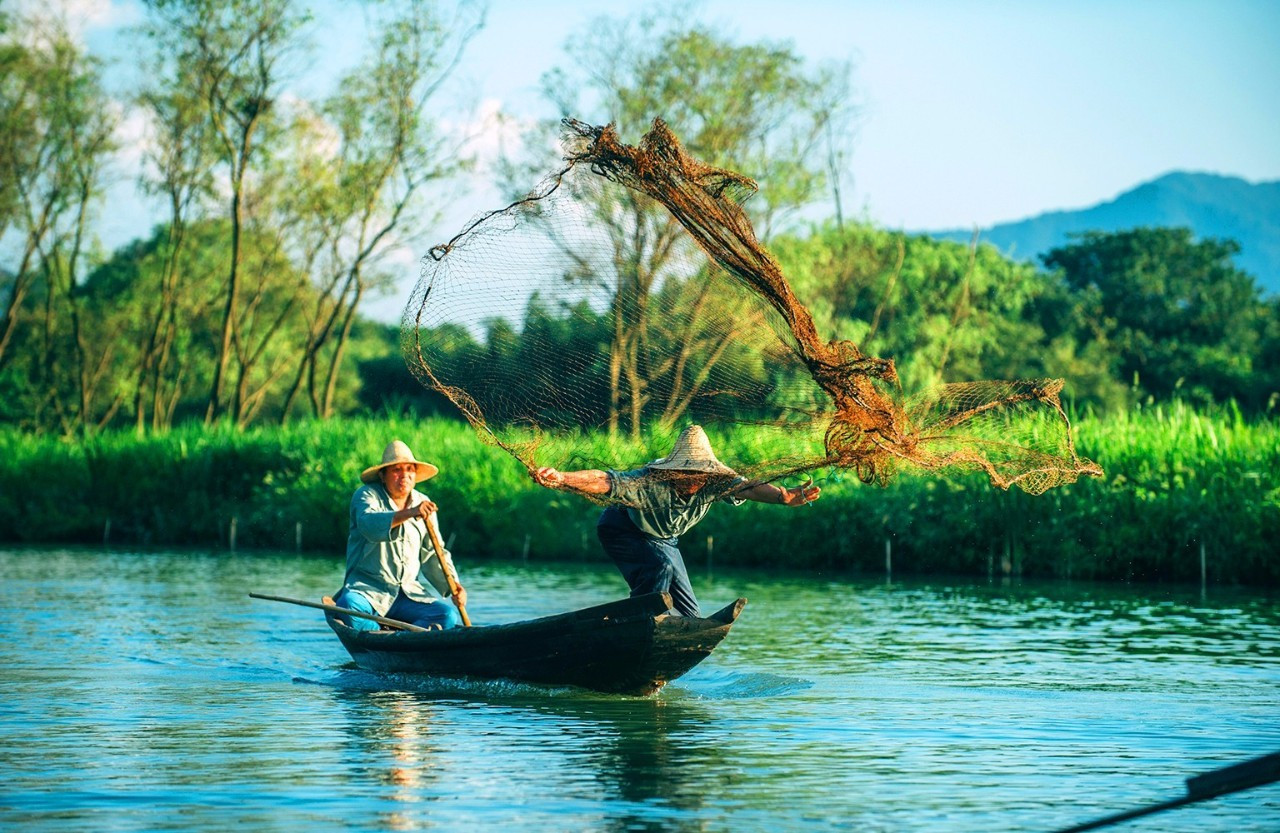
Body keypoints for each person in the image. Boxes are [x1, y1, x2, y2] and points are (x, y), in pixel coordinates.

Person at [531, 425, 819, 618]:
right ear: (674, 470)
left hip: (663, 540)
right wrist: (562, 478)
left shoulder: (716, 483)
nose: (692, 479)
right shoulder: (648, 482)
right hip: (623, 529)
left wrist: (782, 496)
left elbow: (749, 488)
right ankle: (641, 621)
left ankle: (660, 630)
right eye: (685, 472)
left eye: (698, 473)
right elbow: (604, 480)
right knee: (660, 568)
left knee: (690, 615)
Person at [329, 440, 467, 631]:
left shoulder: (423, 502)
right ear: (382, 475)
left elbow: (433, 553)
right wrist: (409, 513)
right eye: (396, 470)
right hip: (367, 591)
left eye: (409, 469)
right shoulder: (366, 496)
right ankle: (379, 632)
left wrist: (453, 585)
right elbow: (369, 525)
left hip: (408, 594)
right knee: (348, 607)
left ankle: (404, 637)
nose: (404, 475)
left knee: (446, 616)